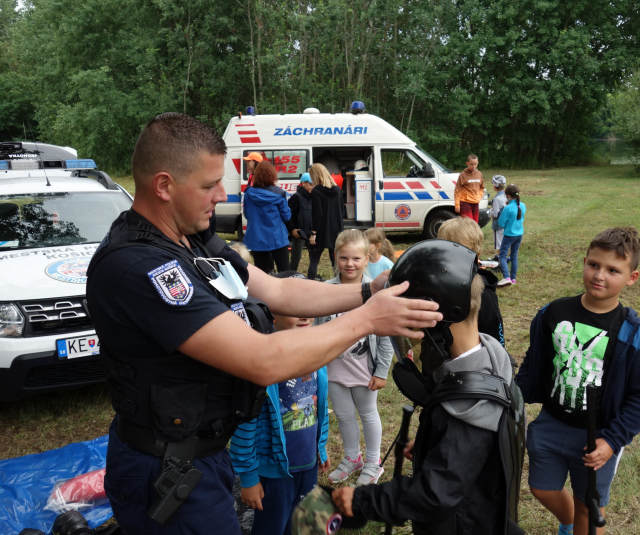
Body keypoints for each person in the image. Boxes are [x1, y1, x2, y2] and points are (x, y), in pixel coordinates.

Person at [85, 112, 442, 535]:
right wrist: (367, 320)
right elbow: (262, 360)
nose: (222, 194)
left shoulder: (190, 236)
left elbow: (279, 290)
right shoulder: (139, 265)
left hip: (202, 453)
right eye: (208, 185)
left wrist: (368, 292)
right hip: (166, 465)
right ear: (163, 186)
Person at [330, 239, 523, 534]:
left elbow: (436, 493)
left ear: (437, 323)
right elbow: (469, 452)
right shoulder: (491, 358)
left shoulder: (470, 406)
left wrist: (363, 501)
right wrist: (431, 444)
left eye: (414, 331)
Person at [516, 227, 640, 535]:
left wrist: (613, 440)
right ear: (584, 262)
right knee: (541, 488)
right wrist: (513, 394)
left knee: (588, 509)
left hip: (598, 437)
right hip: (551, 423)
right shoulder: (552, 312)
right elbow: (534, 363)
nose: (600, 275)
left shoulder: (633, 335)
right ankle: (567, 524)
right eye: (594, 264)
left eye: (613, 270)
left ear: (631, 278)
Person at [229, 271, 330, 535]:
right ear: (271, 312)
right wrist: (249, 478)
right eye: (295, 307)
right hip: (274, 473)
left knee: (304, 525)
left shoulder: (316, 357)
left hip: (307, 466)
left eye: (309, 306)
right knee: (272, 527)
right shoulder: (261, 366)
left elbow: (319, 409)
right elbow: (245, 425)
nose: (305, 314)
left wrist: (321, 448)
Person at [316, 230, 392, 486]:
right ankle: (352, 458)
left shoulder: (376, 292)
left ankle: (373, 462)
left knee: (368, 414)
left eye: (356, 258)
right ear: (335, 257)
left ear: (367, 259)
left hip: (364, 369)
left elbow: (385, 336)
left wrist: (381, 371)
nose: (350, 264)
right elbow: (316, 329)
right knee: (344, 415)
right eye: (344, 258)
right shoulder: (325, 290)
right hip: (334, 369)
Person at [437, 218, 505, 348]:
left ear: (476, 254)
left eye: (459, 252)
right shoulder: (437, 285)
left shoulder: (483, 294)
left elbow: (496, 337)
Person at [243, 160, 293, 272]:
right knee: (285, 272)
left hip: (257, 238)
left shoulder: (248, 193)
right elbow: (286, 216)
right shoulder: (279, 193)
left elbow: (247, 214)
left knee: (262, 273)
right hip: (277, 237)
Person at [308, 163, 344, 281]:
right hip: (337, 230)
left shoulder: (316, 191)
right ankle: (340, 283)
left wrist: (314, 233)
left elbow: (317, 213)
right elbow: (342, 210)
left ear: (315, 175)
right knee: (336, 260)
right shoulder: (338, 190)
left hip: (322, 230)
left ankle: (310, 284)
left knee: (314, 260)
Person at [497, 184, 525, 288]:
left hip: (509, 235)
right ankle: (513, 278)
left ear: (508, 196)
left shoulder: (507, 208)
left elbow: (501, 223)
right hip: (519, 234)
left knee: (502, 255)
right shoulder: (522, 205)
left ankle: (506, 277)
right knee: (514, 255)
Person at [289, 172, 313, 271]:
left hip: (311, 233)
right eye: (311, 184)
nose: (313, 187)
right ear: (303, 183)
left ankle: (313, 276)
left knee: (314, 259)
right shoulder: (296, 197)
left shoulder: (314, 196)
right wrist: (292, 230)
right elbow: (287, 215)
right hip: (299, 234)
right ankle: (290, 275)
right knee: (295, 258)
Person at [453, 154, 485, 223]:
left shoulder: (479, 174)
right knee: (467, 224)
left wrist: (479, 197)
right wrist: (457, 205)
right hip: (465, 202)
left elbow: (482, 188)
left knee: (475, 224)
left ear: (478, 163)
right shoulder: (463, 175)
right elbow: (457, 190)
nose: (473, 166)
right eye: (471, 164)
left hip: (476, 202)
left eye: (475, 164)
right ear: (467, 163)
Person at [487, 175, 508, 252]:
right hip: (507, 225)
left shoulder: (496, 199)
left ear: (494, 186)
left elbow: (494, 214)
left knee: (499, 246)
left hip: (498, 226)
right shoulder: (507, 196)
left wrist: (489, 212)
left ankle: (501, 262)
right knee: (505, 244)